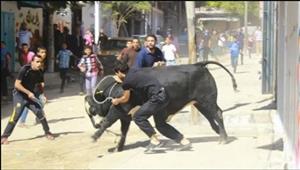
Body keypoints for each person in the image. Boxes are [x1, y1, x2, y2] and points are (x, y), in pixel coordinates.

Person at [111, 60, 191, 153]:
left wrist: (116, 101)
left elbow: (125, 98)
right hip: (164, 95)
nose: (117, 76)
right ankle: (184, 141)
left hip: (156, 98)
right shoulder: (135, 70)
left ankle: (155, 141)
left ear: (119, 72)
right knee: (160, 124)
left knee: (138, 117)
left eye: (116, 74)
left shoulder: (126, 82)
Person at [1, 55, 55, 145]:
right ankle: (4, 136)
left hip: (30, 97)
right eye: (37, 62)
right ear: (32, 62)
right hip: (19, 95)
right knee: (16, 115)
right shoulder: (25, 69)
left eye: (40, 62)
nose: (39, 64)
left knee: (40, 112)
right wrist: (28, 92)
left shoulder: (40, 72)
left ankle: (47, 132)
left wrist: (42, 95)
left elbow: (40, 84)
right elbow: (17, 85)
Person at [19, 46, 48, 127]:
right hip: (31, 85)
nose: (44, 54)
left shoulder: (42, 62)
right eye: (42, 52)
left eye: (45, 52)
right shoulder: (34, 61)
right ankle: (22, 121)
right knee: (31, 102)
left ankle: (38, 117)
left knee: (40, 101)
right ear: (37, 53)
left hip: (37, 85)